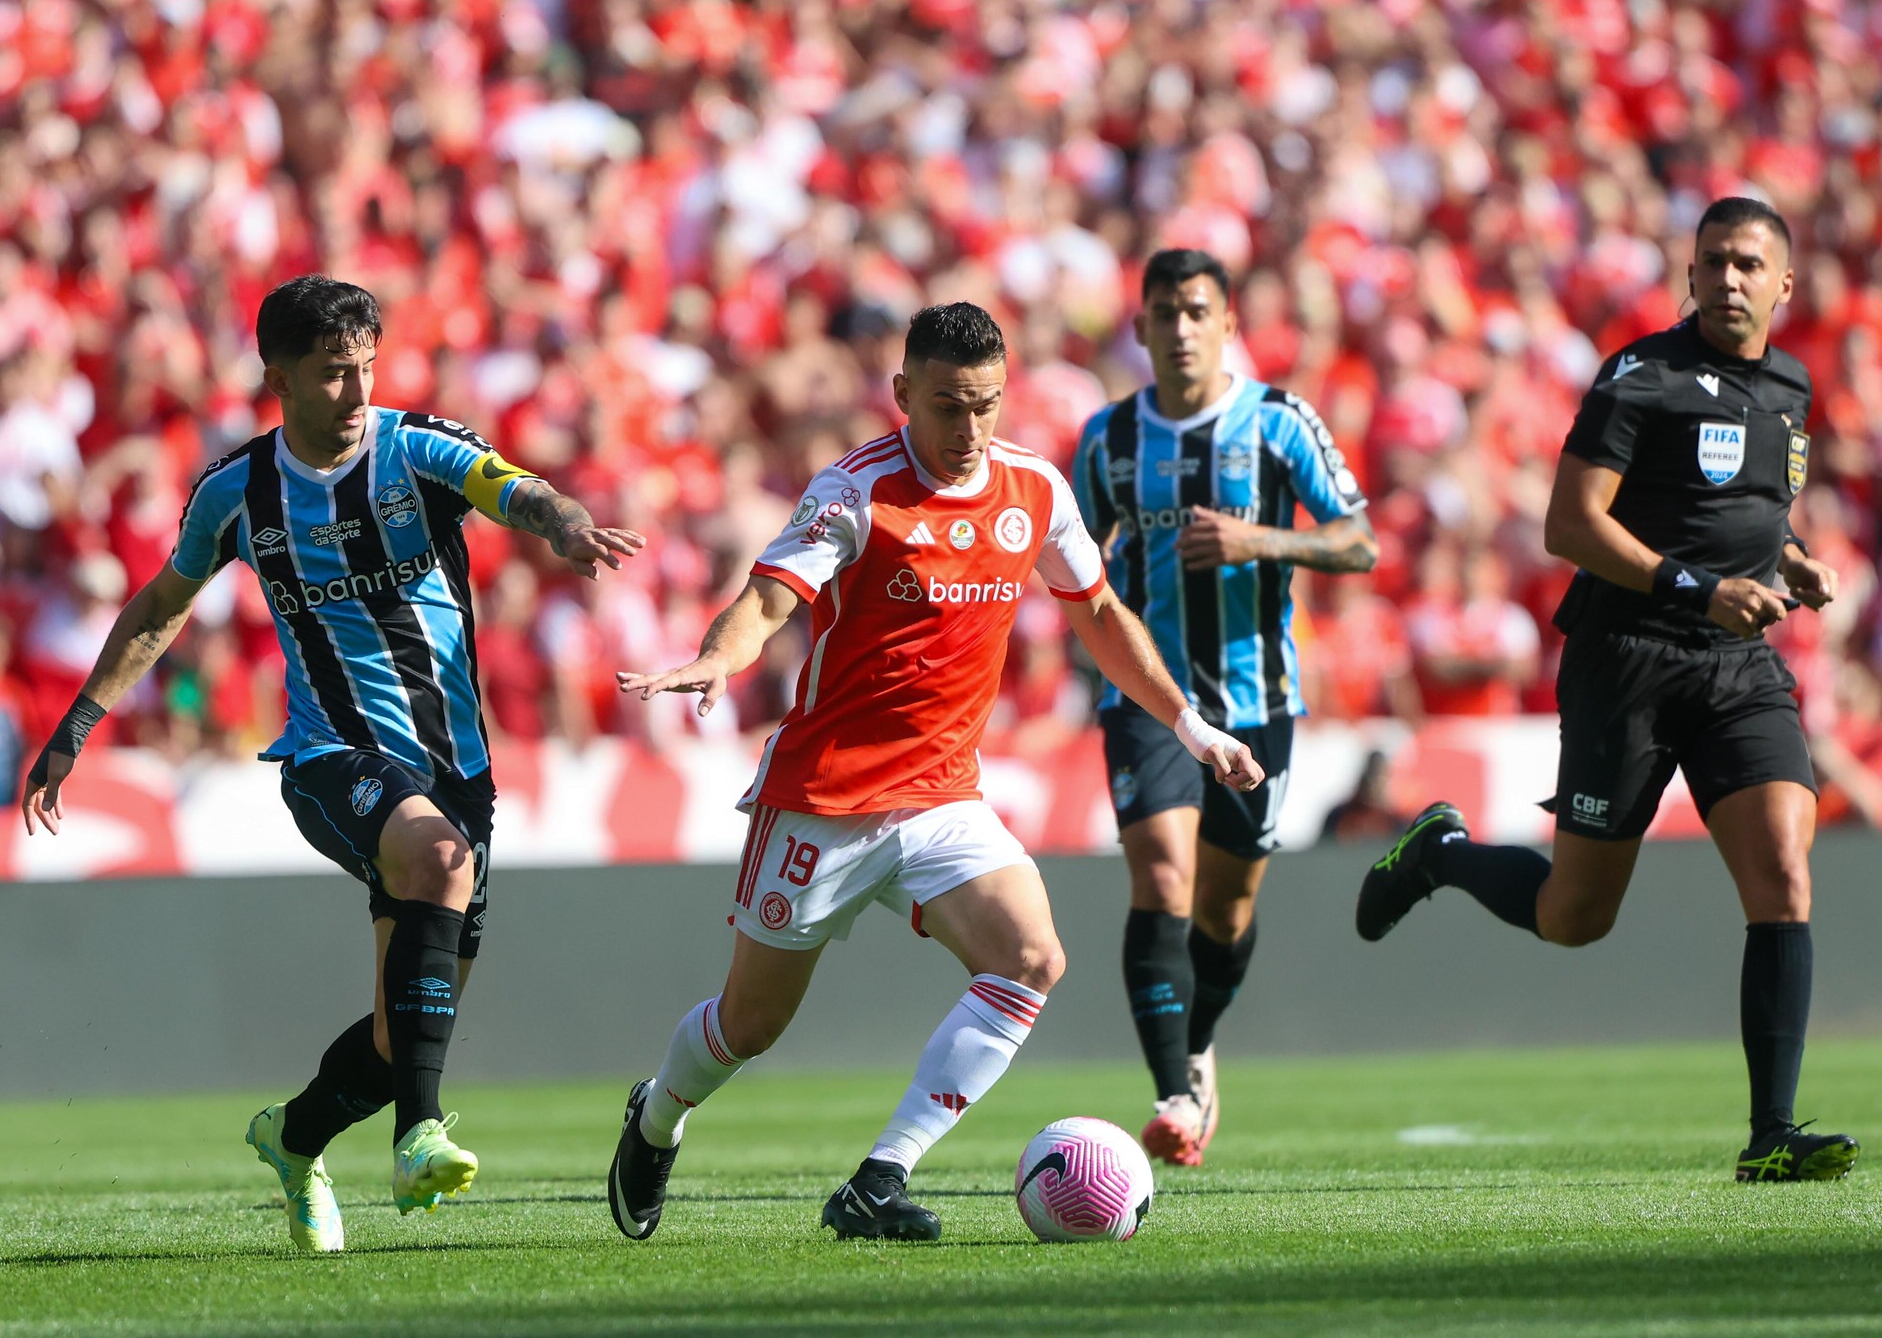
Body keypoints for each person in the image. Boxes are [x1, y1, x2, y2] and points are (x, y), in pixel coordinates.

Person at [605, 302, 1262, 1243]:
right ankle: (658, 1114)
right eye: (949, 407)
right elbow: (766, 598)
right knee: (749, 1025)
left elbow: (1101, 616)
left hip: (944, 794)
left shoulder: (1034, 490)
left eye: (987, 405)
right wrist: (720, 656)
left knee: (1031, 956)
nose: (969, 430)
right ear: (903, 393)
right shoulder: (853, 492)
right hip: (824, 798)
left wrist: (1194, 729)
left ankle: (879, 1177)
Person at [21, 275, 644, 1250]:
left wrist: (561, 521)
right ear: (277, 376)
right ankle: (418, 1138)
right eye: (331, 376)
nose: (355, 396)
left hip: (456, 771)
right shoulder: (238, 493)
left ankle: (292, 1139)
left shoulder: (417, 449)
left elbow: (511, 487)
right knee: (438, 865)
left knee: (404, 1033)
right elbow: (162, 606)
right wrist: (78, 723)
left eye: (365, 370)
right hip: (330, 753)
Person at [1356, 198, 1860, 1183]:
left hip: (1736, 667)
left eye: (1748, 265)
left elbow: (1746, 514)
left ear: (1783, 285)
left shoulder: (1792, 388)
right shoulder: (1642, 378)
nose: (1727, 279)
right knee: (1574, 918)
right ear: (1689, 271)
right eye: (1711, 261)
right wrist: (1698, 588)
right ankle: (1443, 852)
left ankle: (1770, 1134)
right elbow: (1569, 526)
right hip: (1625, 655)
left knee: (1783, 876)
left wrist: (1791, 563)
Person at [1069, 249, 1377, 1167]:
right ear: (1140, 328)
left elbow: (1358, 542)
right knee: (1161, 874)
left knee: (1226, 911)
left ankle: (1196, 1039)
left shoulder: (1280, 423)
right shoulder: (1108, 440)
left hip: (1258, 696)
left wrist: (1258, 540)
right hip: (1149, 697)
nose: (1179, 328)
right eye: (1163, 313)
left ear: (1229, 323)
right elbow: (1070, 563)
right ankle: (1172, 1092)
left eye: (1197, 311)